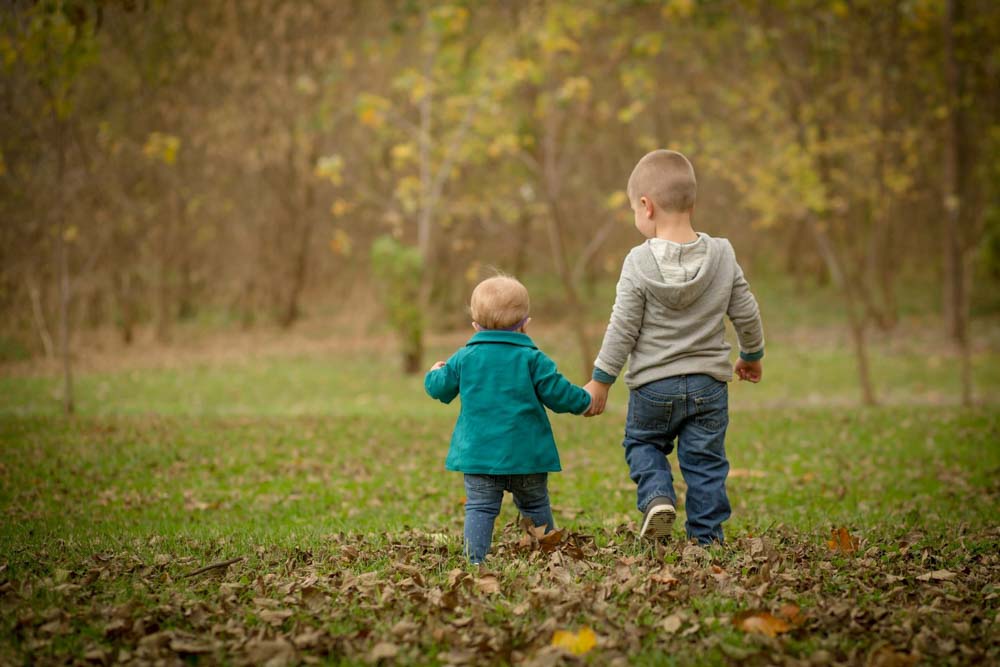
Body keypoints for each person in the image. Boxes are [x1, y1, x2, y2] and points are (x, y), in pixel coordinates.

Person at [583, 149, 764, 545]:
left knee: (643, 442)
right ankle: (706, 538)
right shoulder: (723, 255)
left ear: (646, 207)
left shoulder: (637, 262)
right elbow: (746, 313)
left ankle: (657, 497)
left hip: (653, 387)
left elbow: (622, 328)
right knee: (705, 463)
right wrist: (751, 355)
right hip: (709, 387)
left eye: (633, 209)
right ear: (692, 203)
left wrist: (601, 379)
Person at [425, 274, 593, 564]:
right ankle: (548, 555)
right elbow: (559, 394)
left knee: (479, 508)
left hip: (480, 455)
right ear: (525, 323)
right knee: (535, 502)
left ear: (475, 326)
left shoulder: (465, 357)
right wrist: (586, 400)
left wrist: (434, 372)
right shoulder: (533, 358)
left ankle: (475, 560)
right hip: (526, 454)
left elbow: (440, 389)